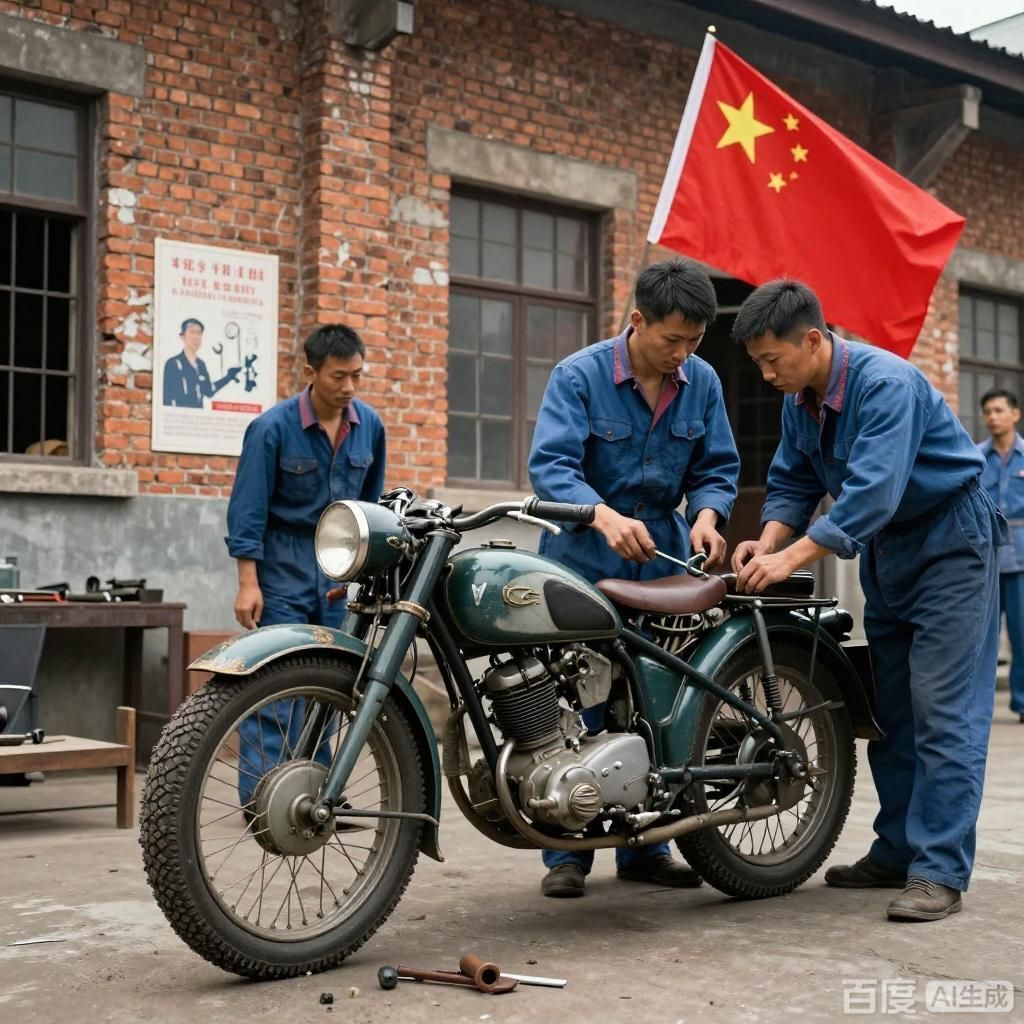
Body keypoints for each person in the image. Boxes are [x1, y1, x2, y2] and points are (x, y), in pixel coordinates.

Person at [730, 279, 1005, 922]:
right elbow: (793, 480)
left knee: (943, 710)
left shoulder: (886, 384)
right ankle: (898, 849)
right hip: (890, 552)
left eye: (773, 359)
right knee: (892, 710)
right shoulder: (800, 402)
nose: (767, 374)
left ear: (813, 340)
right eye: (759, 363)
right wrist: (766, 541)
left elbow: (872, 493)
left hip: (950, 542)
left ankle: (939, 869)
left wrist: (790, 559)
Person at [528, 258, 740, 898]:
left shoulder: (702, 381)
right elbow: (552, 466)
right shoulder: (579, 376)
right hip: (582, 556)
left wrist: (707, 517)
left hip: (663, 557)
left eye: (694, 341)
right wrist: (601, 515)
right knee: (574, 699)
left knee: (657, 697)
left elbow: (716, 467)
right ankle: (567, 852)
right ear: (638, 321)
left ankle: (649, 847)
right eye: (672, 339)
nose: (683, 354)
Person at [225, 323, 386, 805]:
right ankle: (261, 795)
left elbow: (370, 506)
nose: (349, 387)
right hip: (282, 566)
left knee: (328, 683)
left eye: (356, 375)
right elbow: (248, 509)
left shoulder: (370, 426)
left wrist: (365, 574)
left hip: (337, 570)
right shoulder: (272, 428)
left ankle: (315, 793)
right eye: (339, 376)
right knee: (275, 682)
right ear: (311, 372)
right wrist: (248, 583)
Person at [978, 387, 1024, 724]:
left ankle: (1022, 702)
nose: (993, 417)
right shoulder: (975, 458)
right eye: (988, 412)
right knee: (981, 637)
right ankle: (978, 705)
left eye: (999, 410)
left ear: (1015, 414)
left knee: (1022, 635)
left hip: (1022, 558)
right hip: (986, 557)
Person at [163, 317, 241, 407]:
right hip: (179, 414)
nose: (196, 337)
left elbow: (209, 391)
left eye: (199, 333)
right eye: (192, 332)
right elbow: (167, 398)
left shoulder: (201, 364)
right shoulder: (173, 363)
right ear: (182, 336)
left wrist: (229, 377)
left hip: (198, 414)